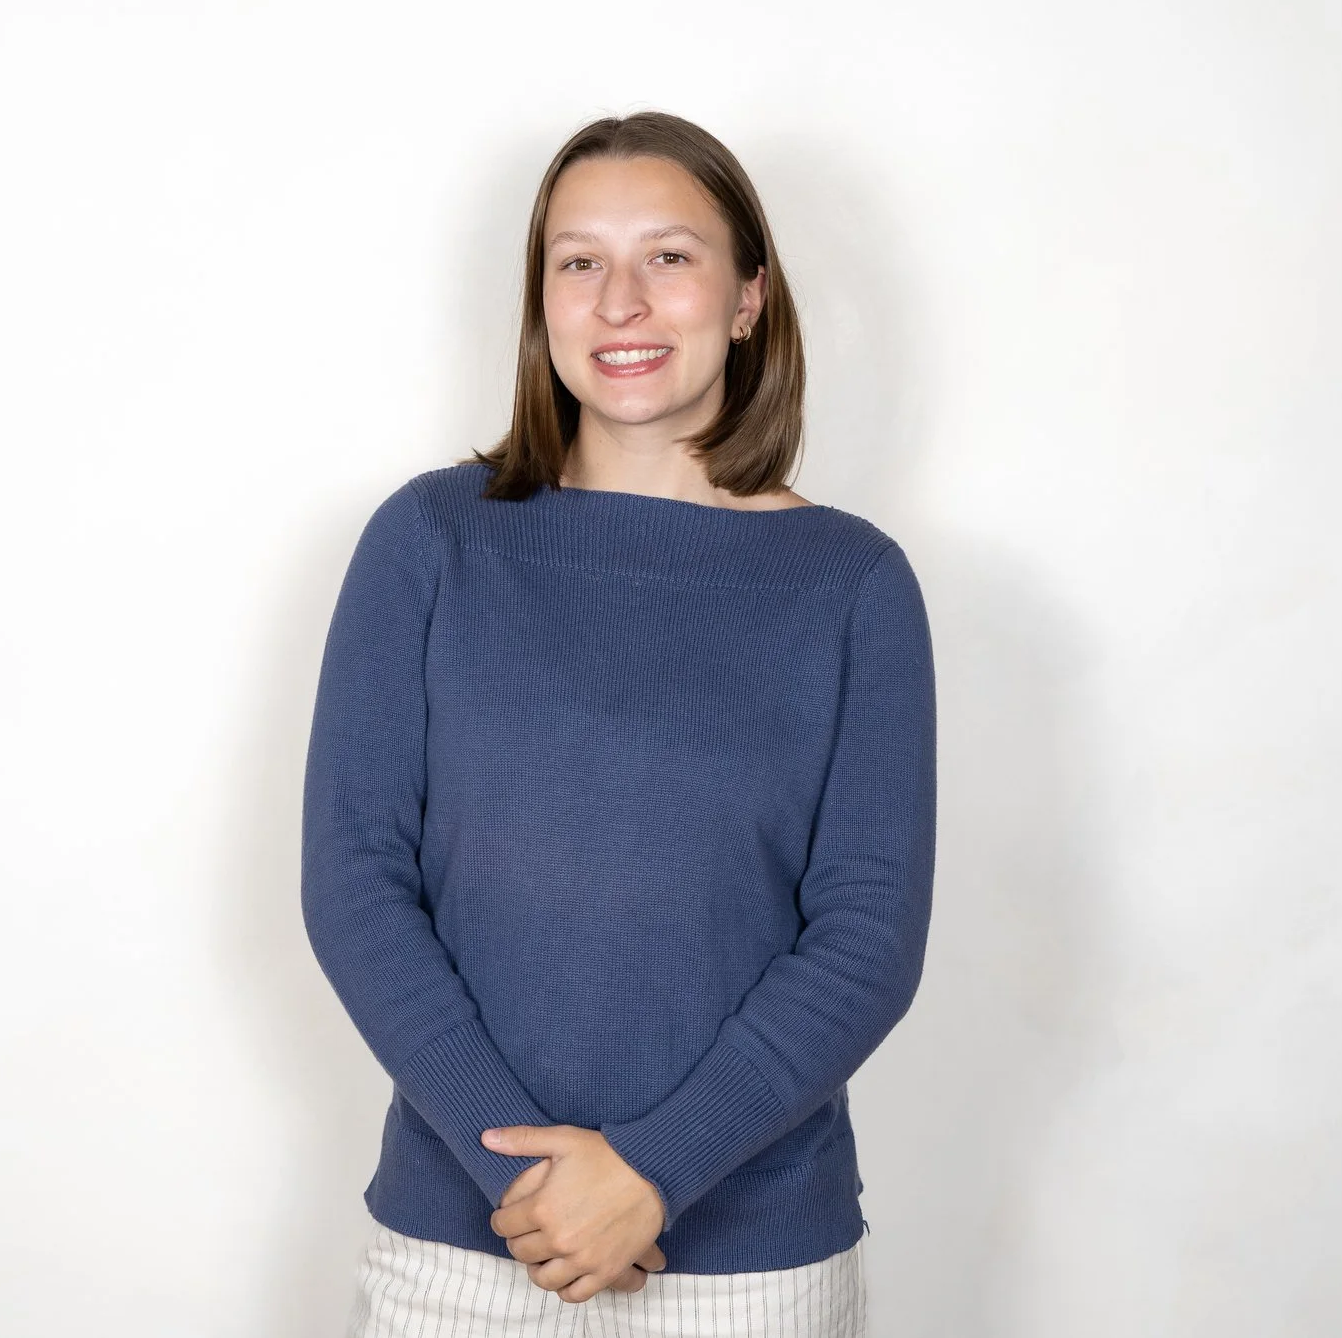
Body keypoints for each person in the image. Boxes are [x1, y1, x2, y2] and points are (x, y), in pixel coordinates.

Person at [300, 110, 939, 1335]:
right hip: (462, 1253)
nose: (620, 301)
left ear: (748, 298)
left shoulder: (849, 583)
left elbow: (866, 938)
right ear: (540, 301)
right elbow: (355, 882)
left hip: (752, 1271)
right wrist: (531, 1181)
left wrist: (653, 1168)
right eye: (579, 260)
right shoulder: (430, 539)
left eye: (670, 256)